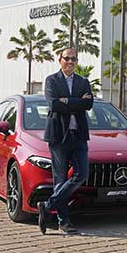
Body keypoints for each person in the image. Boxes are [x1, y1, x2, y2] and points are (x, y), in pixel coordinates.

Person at [37, 47, 93, 235]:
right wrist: (77, 101)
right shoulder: (51, 80)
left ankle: (47, 206)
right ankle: (64, 222)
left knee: (82, 174)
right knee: (60, 179)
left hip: (79, 136)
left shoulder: (83, 81)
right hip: (58, 136)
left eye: (73, 59)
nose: (70, 62)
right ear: (59, 59)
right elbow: (54, 105)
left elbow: (89, 104)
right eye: (67, 58)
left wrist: (67, 101)